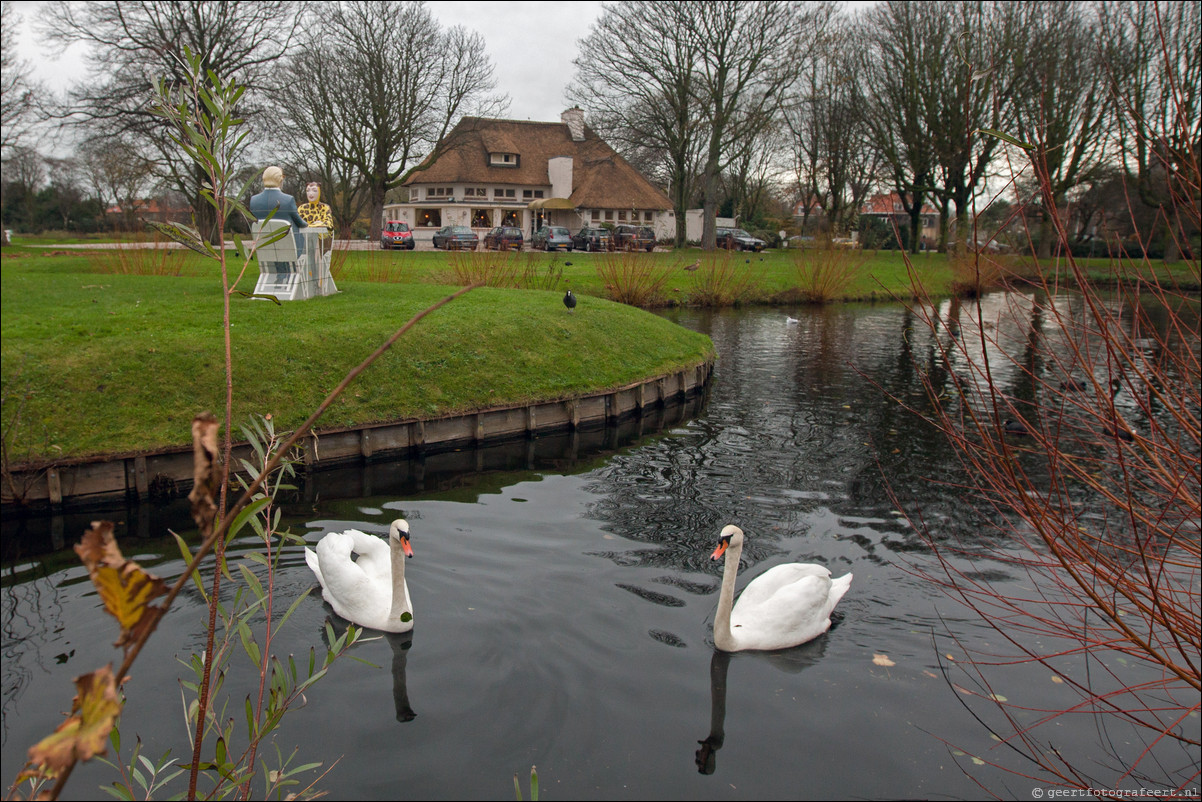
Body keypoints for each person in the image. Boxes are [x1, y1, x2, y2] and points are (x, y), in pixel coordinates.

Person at [249, 166, 307, 251]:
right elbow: (301, 224)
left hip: (264, 248)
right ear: (280, 179)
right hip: (289, 249)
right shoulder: (288, 200)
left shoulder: (254, 201)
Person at [297, 181, 334, 249]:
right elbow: (297, 223)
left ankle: (316, 258)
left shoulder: (325, 207)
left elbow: (329, 224)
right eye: (308, 191)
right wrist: (315, 225)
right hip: (305, 241)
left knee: (315, 236)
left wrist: (312, 226)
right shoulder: (302, 208)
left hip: (322, 241)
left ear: (319, 192)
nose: (310, 194)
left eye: (314, 191)